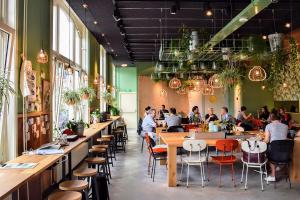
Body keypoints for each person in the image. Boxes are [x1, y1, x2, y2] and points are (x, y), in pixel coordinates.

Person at [264, 113, 288, 182]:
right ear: (280, 119)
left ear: (271, 119)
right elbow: (283, 138)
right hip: (285, 152)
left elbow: (267, 140)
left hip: (274, 151)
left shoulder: (268, 126)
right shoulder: (286, 126)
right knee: (275, 150)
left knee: (267, 153)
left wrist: (262, 140)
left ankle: (273, 176)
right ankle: (278, 167)